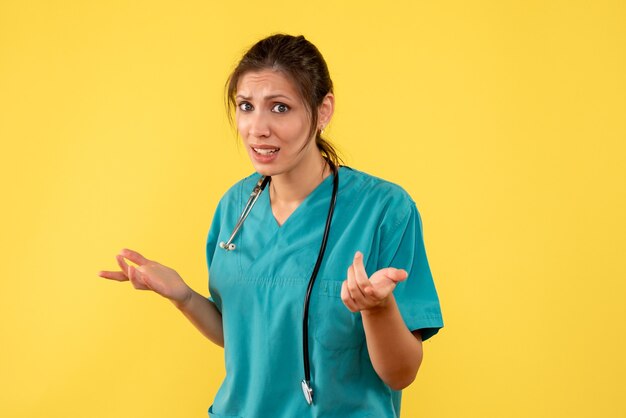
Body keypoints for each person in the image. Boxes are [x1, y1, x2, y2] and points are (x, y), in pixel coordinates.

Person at [99, 34, 443, 418]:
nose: (257, 128)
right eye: (246, 106)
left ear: (323, 110)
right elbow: (248, 339)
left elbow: (401, 373)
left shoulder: (383, 210)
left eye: (280, 108)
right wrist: (184, 297)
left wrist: (377, 309)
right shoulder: (234, 207)